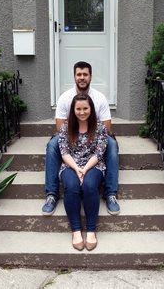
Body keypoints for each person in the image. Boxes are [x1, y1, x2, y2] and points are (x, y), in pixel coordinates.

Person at [42, 61, 120, 216]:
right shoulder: (65, 98)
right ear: (74, 76)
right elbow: (60, 127)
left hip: (95, 137)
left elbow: (106, 128)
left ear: (90, 77)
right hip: (71, 137)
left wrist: (90, 139)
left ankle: (110, 194)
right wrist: (79, 140)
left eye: (85, 74)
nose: (82, 78)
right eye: (79, 74)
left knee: (111, 144)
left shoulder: (99, 98)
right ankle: (52, 194)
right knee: (52, 145)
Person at [59, 94, 107, 251]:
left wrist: (85, 169)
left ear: (91, 108)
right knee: (71, 186)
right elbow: (64, 152)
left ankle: (91, 230)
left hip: (93, 166)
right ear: (73, 110)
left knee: (89, 185)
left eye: (85, 108)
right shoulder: (66, 127)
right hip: (70, 166)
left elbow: (99, 153)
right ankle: (76, 231)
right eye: (78, 108)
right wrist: (77, 169)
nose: (82, 112)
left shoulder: (100, 127)